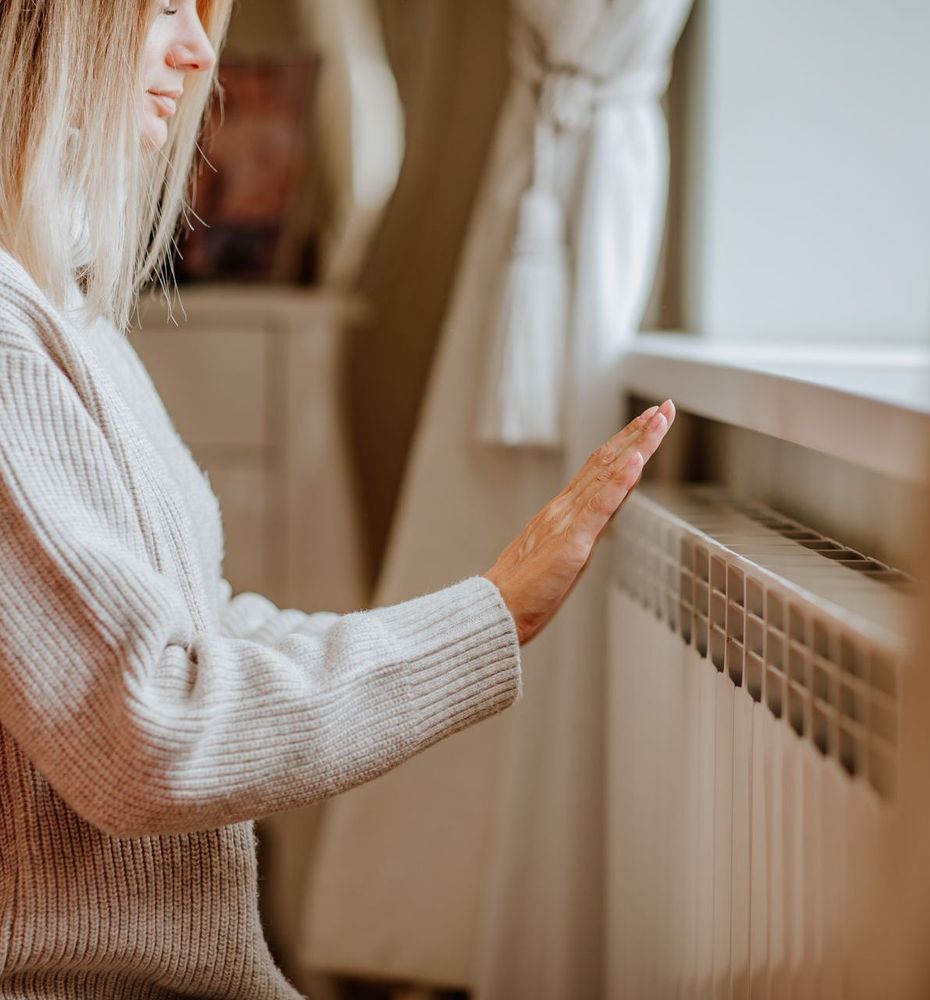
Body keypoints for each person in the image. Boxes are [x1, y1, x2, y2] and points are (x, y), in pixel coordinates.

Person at [0, 1, 675, 997]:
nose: (198, 51)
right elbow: (152, 732)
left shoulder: (63, 310)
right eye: (161, 9)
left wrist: (479, 614)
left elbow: (199, 631)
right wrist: (491, 614)